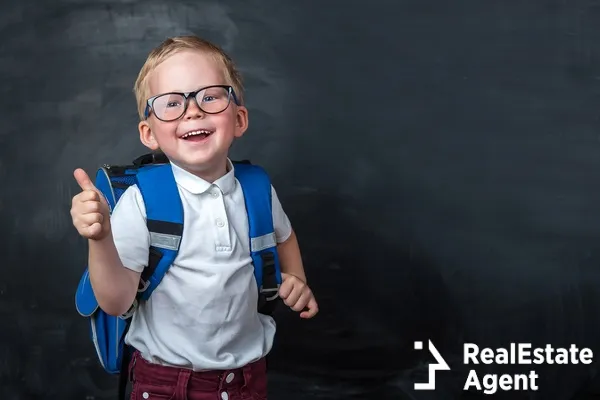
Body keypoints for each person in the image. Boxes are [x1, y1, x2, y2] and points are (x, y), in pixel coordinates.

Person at [69, 35, 318, 400]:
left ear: (239, 119)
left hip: (248, 378)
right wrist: (100, 238)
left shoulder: (257, 188)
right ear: (149, 133)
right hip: (167, 383)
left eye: (210, 96)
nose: (192, 110)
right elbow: (116, 302)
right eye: (171, 103)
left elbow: (284, 236)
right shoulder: (142, 201)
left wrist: (295, 277)